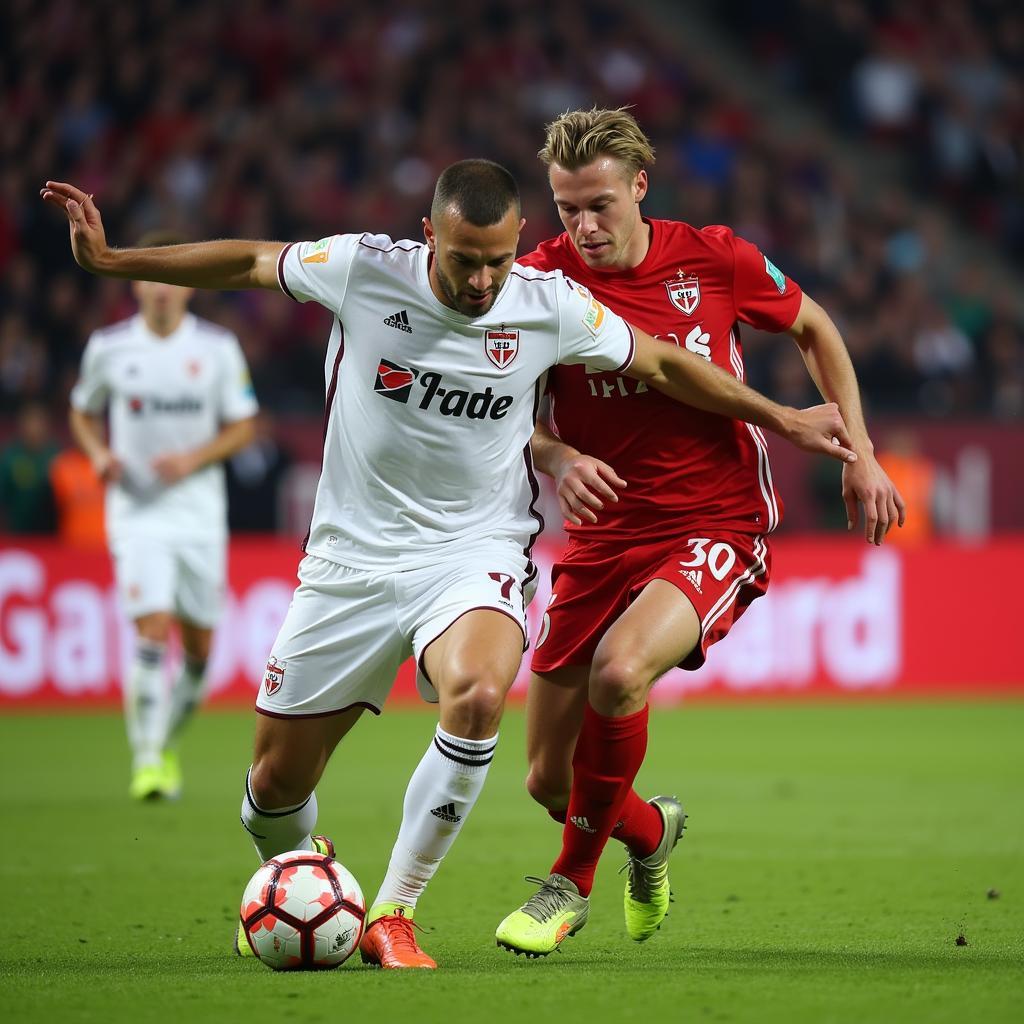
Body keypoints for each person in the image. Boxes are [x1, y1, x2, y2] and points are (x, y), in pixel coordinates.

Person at [42, 161, 855, 970]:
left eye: (499, 260)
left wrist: (784, 417)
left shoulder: (547, 303)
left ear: (518, 245)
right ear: (429, 237)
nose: (482, 279)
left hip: (475, 550)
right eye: (465, 259)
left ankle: (395, 912)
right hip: (349, 559)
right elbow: (253, 261)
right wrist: (115, 262)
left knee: (477, 692)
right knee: (272, 790)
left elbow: (668, 365)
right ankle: (297, 873)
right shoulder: (365, 270)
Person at [495, 108, 907, 957]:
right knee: (546, 778)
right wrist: (557, 452)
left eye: (600, 203)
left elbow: (814, 327)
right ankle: (648, 836)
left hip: (712, 516)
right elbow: (505, 416)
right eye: (567, 207)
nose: (584, 225)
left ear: (640, 187)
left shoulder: (713, 257)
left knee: (620, 671)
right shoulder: (539, 281)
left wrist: (859, 453)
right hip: (603, 533)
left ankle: (565, 888)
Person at [67, 230, 258, 800]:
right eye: (150, 278)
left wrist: (194, 458)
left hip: (199, 514)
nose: (160, 290)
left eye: (171, 280)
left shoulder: (218, 348)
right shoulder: (109, 347)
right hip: (137, 511)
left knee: (199, 649)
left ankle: (165, 742)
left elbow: (244, 425)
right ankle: (146, 758)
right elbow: (81, 412)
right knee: (151, 626)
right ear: (136, 284)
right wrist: (100, 453)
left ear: (189, 288)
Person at [0, 400, 58, 534]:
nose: (35, 428)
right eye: (31, 422)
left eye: (39, 422)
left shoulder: (56, 456)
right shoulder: (11, 456)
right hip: (17, 531)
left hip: (51, 534)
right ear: (22, 425)